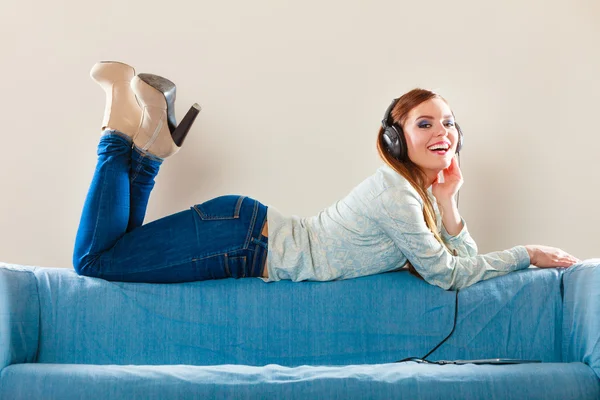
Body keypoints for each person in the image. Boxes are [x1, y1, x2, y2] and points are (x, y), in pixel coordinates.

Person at [73, 61, 581, 290]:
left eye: (448, 122)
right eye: (424, 123)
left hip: (243, 234)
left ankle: (151, 150)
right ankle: (119, 127)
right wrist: (526, 255)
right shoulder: (396, 196)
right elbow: (448, 277)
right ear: (395, 139)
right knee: (95, 260)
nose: (441, 132)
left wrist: (449, 202)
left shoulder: (413, 196)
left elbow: (459, 264)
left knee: (118, 248)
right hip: (243, 241)